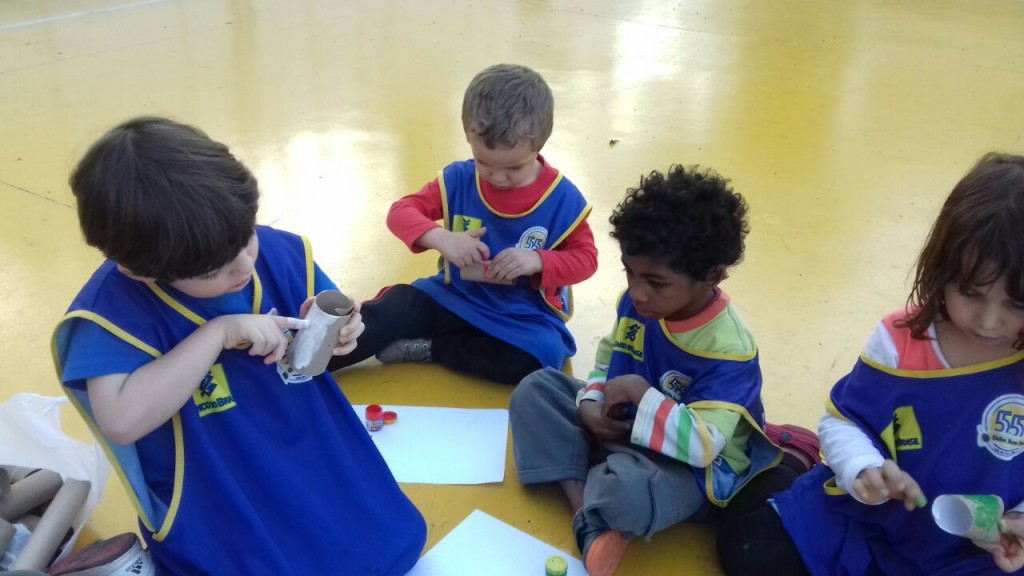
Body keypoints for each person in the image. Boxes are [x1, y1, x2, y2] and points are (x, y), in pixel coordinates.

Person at [51, 117, 426, 575]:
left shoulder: (278, 252)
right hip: (220, 495)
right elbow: (121, 421)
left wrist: (344, 331)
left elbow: (331, 340)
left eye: (247, 235)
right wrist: (218, 333)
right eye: (213, 270)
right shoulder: (112, 314)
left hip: (312, 457)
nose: (244, 266)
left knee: (386, 548)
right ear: (138, 270)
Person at [718, 152, 1024, 576]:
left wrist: (1019, 522)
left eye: (1017, 303)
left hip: (974, 557)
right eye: (970, 292)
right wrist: (864, 468)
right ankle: (789, 459)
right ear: (942, 267)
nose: (989, 321)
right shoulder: (901, 343)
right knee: (750, 549)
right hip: (870, 526)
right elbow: (845, 422)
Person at [509, 164, 783, 576]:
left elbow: (705, 448)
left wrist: (640, 394)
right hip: (624, 430)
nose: (637, 293)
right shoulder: (636, 303)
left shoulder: (729, 346)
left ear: (711, 276)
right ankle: (587, 513)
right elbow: (607, 359)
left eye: (656, 282)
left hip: (689, 468)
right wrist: (590, 403)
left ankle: (593, 487)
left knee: (626, 493)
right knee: (535, 390)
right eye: (629, 272)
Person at [328, 63, 598, 384]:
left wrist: (537, 260)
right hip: (452, 295)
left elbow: (587, 259)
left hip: (521, 317)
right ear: (469, 136)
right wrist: (441, 238)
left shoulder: (562, 198)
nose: (497, 177)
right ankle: (310, 357)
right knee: (396, 308)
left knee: (540, 358)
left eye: (514, 168)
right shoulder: (459, 178)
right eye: (484, 162)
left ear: (539, 145)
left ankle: (434, 348)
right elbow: (401, 212)